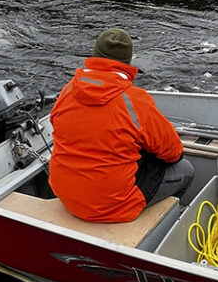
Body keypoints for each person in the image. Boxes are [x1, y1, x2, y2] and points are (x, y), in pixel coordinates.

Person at [49, 28, 194, 223]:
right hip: (113, 206)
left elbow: (57, 125)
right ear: (127, 62)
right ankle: (164, 222)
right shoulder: (137, 101)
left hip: (66, 196)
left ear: (95, 55)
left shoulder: (67, 91)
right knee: (186, 169)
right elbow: (173, 153)